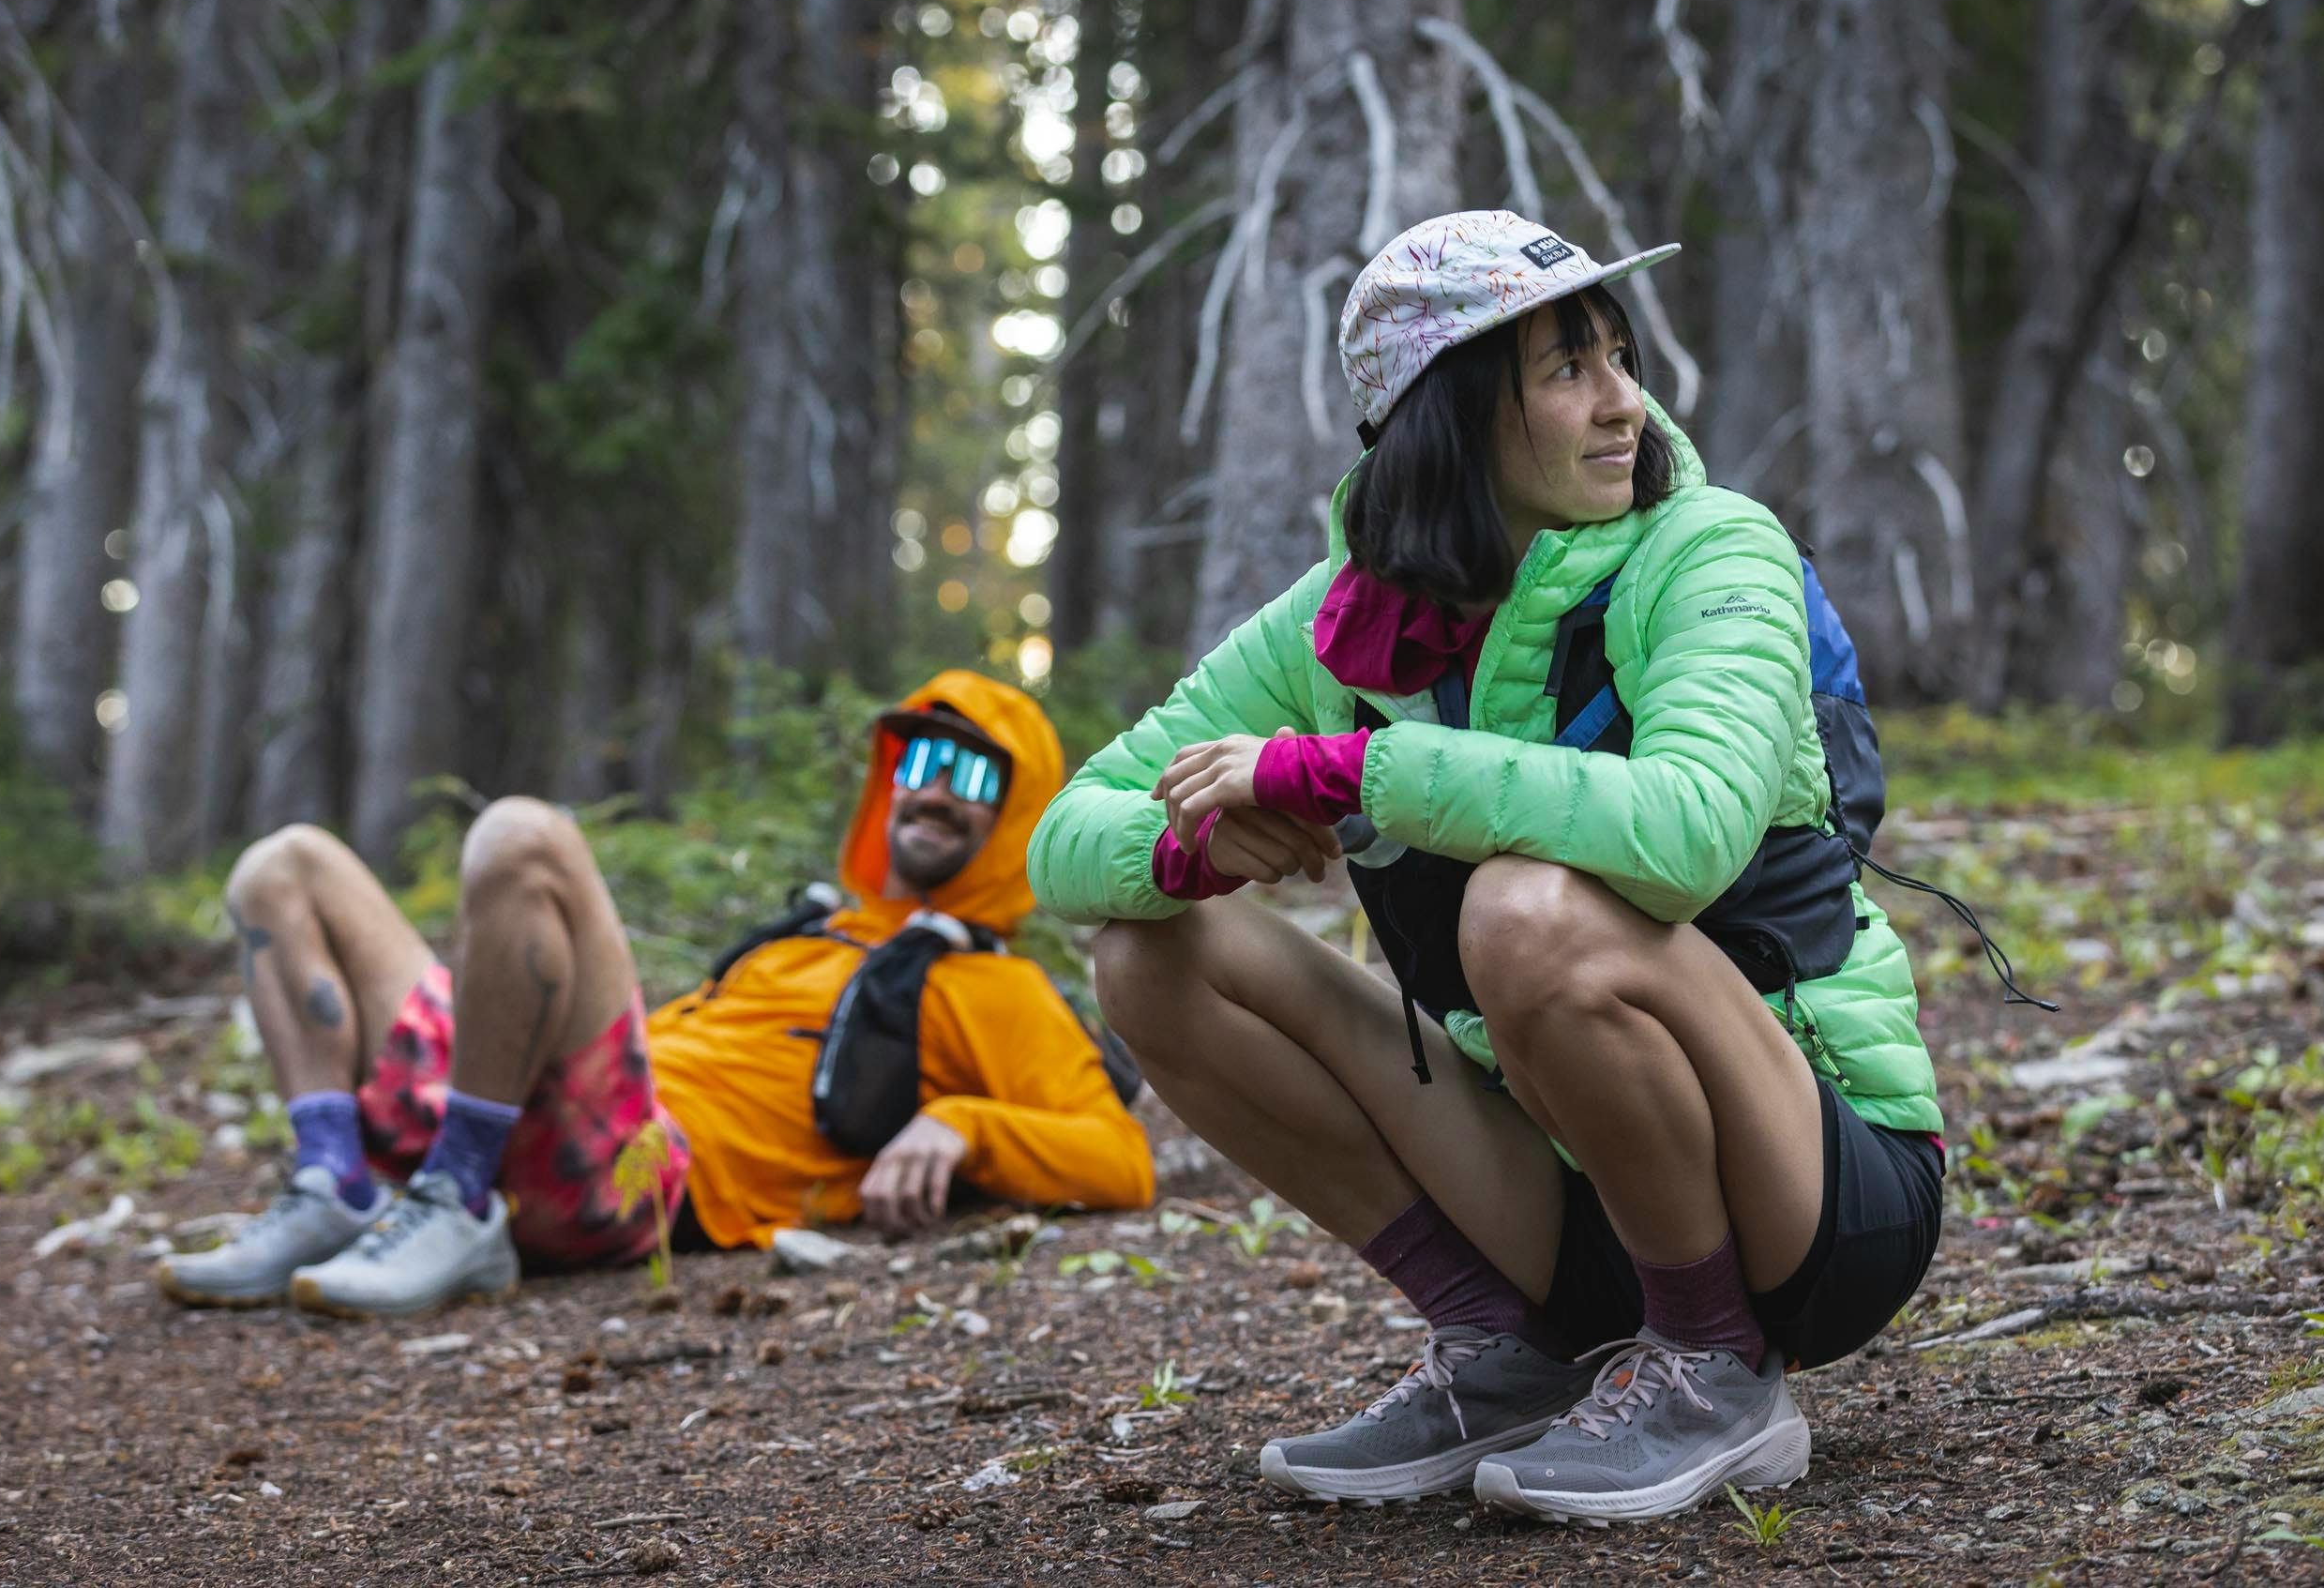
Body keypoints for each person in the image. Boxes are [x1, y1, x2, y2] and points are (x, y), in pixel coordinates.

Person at [1027, 212, 1944, 1525]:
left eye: (1619, 357)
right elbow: (1063, 835)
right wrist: (1190, 843)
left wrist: (1353, 776)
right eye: (1568, 369)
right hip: (1569, 1189)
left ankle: (1713, 1362)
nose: (1624, 403)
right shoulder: (1338, 624)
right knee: (1149, 952)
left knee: (1527, 910)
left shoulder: (1709, 547)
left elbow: (1689, 830)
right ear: (1450, 418)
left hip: (1816, 1184)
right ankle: (1505, 1348)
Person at [161, 669, 1153, 1319]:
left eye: (974, 771)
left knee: (523, 837)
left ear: (1017, 808)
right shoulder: (811, 933)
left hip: (628, 1170)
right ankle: (337, 1179)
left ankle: (460, 1198)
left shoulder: (990, 983)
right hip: (520, 1107)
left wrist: (963, 1124)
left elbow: (1120, 1160)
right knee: (283, 865)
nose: (936, 788)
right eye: (922, 761)